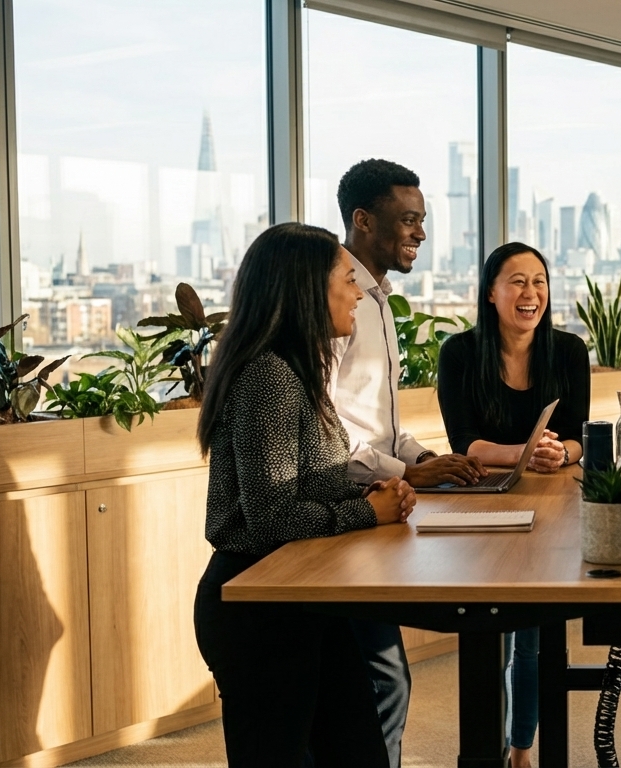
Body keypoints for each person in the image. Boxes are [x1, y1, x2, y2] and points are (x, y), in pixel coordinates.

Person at [192, 222, 418, 767]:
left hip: (305, 593)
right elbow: (270, 518)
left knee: (358, 750)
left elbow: (310, 478)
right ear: (307, 289)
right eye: (346, 279)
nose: (359, 292)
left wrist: (370, 488)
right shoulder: (267, 376)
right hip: (258, 604)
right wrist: (365, 510)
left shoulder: (298, 373)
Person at [331, 158, 486, 768]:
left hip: (382, 504)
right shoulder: (334, 300)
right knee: (383, 682)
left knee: (382, 681)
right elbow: (326, 427)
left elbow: (383, 422)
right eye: (409, 220)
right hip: (347, 507)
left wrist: (424, 458)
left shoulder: (380, 300)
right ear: (363, 220)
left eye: (424, 221)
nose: (420, 233)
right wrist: (402, 474)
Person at [437, 241, 590, 767]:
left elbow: (579, 437)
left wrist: (558, 450)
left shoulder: (568, 350)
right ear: (490, 293)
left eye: (540, 281)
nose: (531, 293)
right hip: (482, 506)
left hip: (550, 506)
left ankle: (522, 748)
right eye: (518, 281)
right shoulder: (459, 352)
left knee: (533, 637)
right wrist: (526, 452)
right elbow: (465, 442)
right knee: (488, 632)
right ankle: (486, 748)